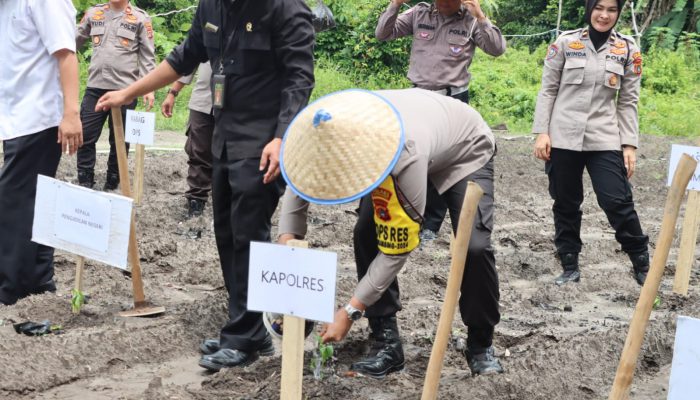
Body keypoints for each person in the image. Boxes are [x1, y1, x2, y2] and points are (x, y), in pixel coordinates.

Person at [94, 0, 315, 371]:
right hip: (225, 135)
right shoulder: (211, 6)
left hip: (264, 141)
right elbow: (183, 57)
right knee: (226, 231)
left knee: (249, 233)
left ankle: (245, 335)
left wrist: (283, 137)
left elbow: (299, 78)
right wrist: (129, 92)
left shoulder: (285, 8)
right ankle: (248, 326)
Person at [278, 88, 503, 377]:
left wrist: (350, 311)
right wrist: (288, 246)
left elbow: (397, 248)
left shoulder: (402, 152)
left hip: (463, 148)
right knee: (366, 231)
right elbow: (300, 183)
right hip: (421, 134)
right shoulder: (320, 130)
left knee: (474, 247)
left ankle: (480, 344)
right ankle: (385, 341)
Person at [532, 0, 649, 286]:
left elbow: (629, 101)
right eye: (599, 8)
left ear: (618, 13)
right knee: (566, 202)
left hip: (604, 137)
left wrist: (629, 145)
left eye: (611, 9)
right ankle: (569, 264)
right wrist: (542, 132)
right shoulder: (565, 43)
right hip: (563, 137)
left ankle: (641, 260)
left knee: (617, 200)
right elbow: (547, 90)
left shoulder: (628, 49)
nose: (604, 15)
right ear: (589, 9)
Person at [376, 0, 506, 241]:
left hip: (451, 102)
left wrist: (480, 16)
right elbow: (383, 33)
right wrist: (395, 5)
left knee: (444, 160)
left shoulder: (470, 19)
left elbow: (497, 49)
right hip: (417, 98)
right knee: (414, 157)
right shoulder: (418, 13)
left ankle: (431, 225)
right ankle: (413, 215)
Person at [0, 0, 83, 305]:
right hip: (15, 119)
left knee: (14, 203)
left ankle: (12, 288)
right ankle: (38, 281)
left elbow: (66, 54)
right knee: (33, 202)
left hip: (39, 117)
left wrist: (72, 114)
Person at [75, 0, 156, 190]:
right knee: (85, 135)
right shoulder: (94, 13)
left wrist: (149, 88)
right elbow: (73, 41)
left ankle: (113, 182)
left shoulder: (140, 18)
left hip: (125, 90)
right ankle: (85, 182)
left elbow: (147, 56)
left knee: (119, 140)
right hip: (95, 87)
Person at [161, 62, 214, 218]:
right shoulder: (206, 36)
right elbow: (189, 60)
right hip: (203, 101)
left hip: (236, 106)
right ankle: (196, 201)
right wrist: (172, 92)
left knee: (230, 156)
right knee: (198, 152)